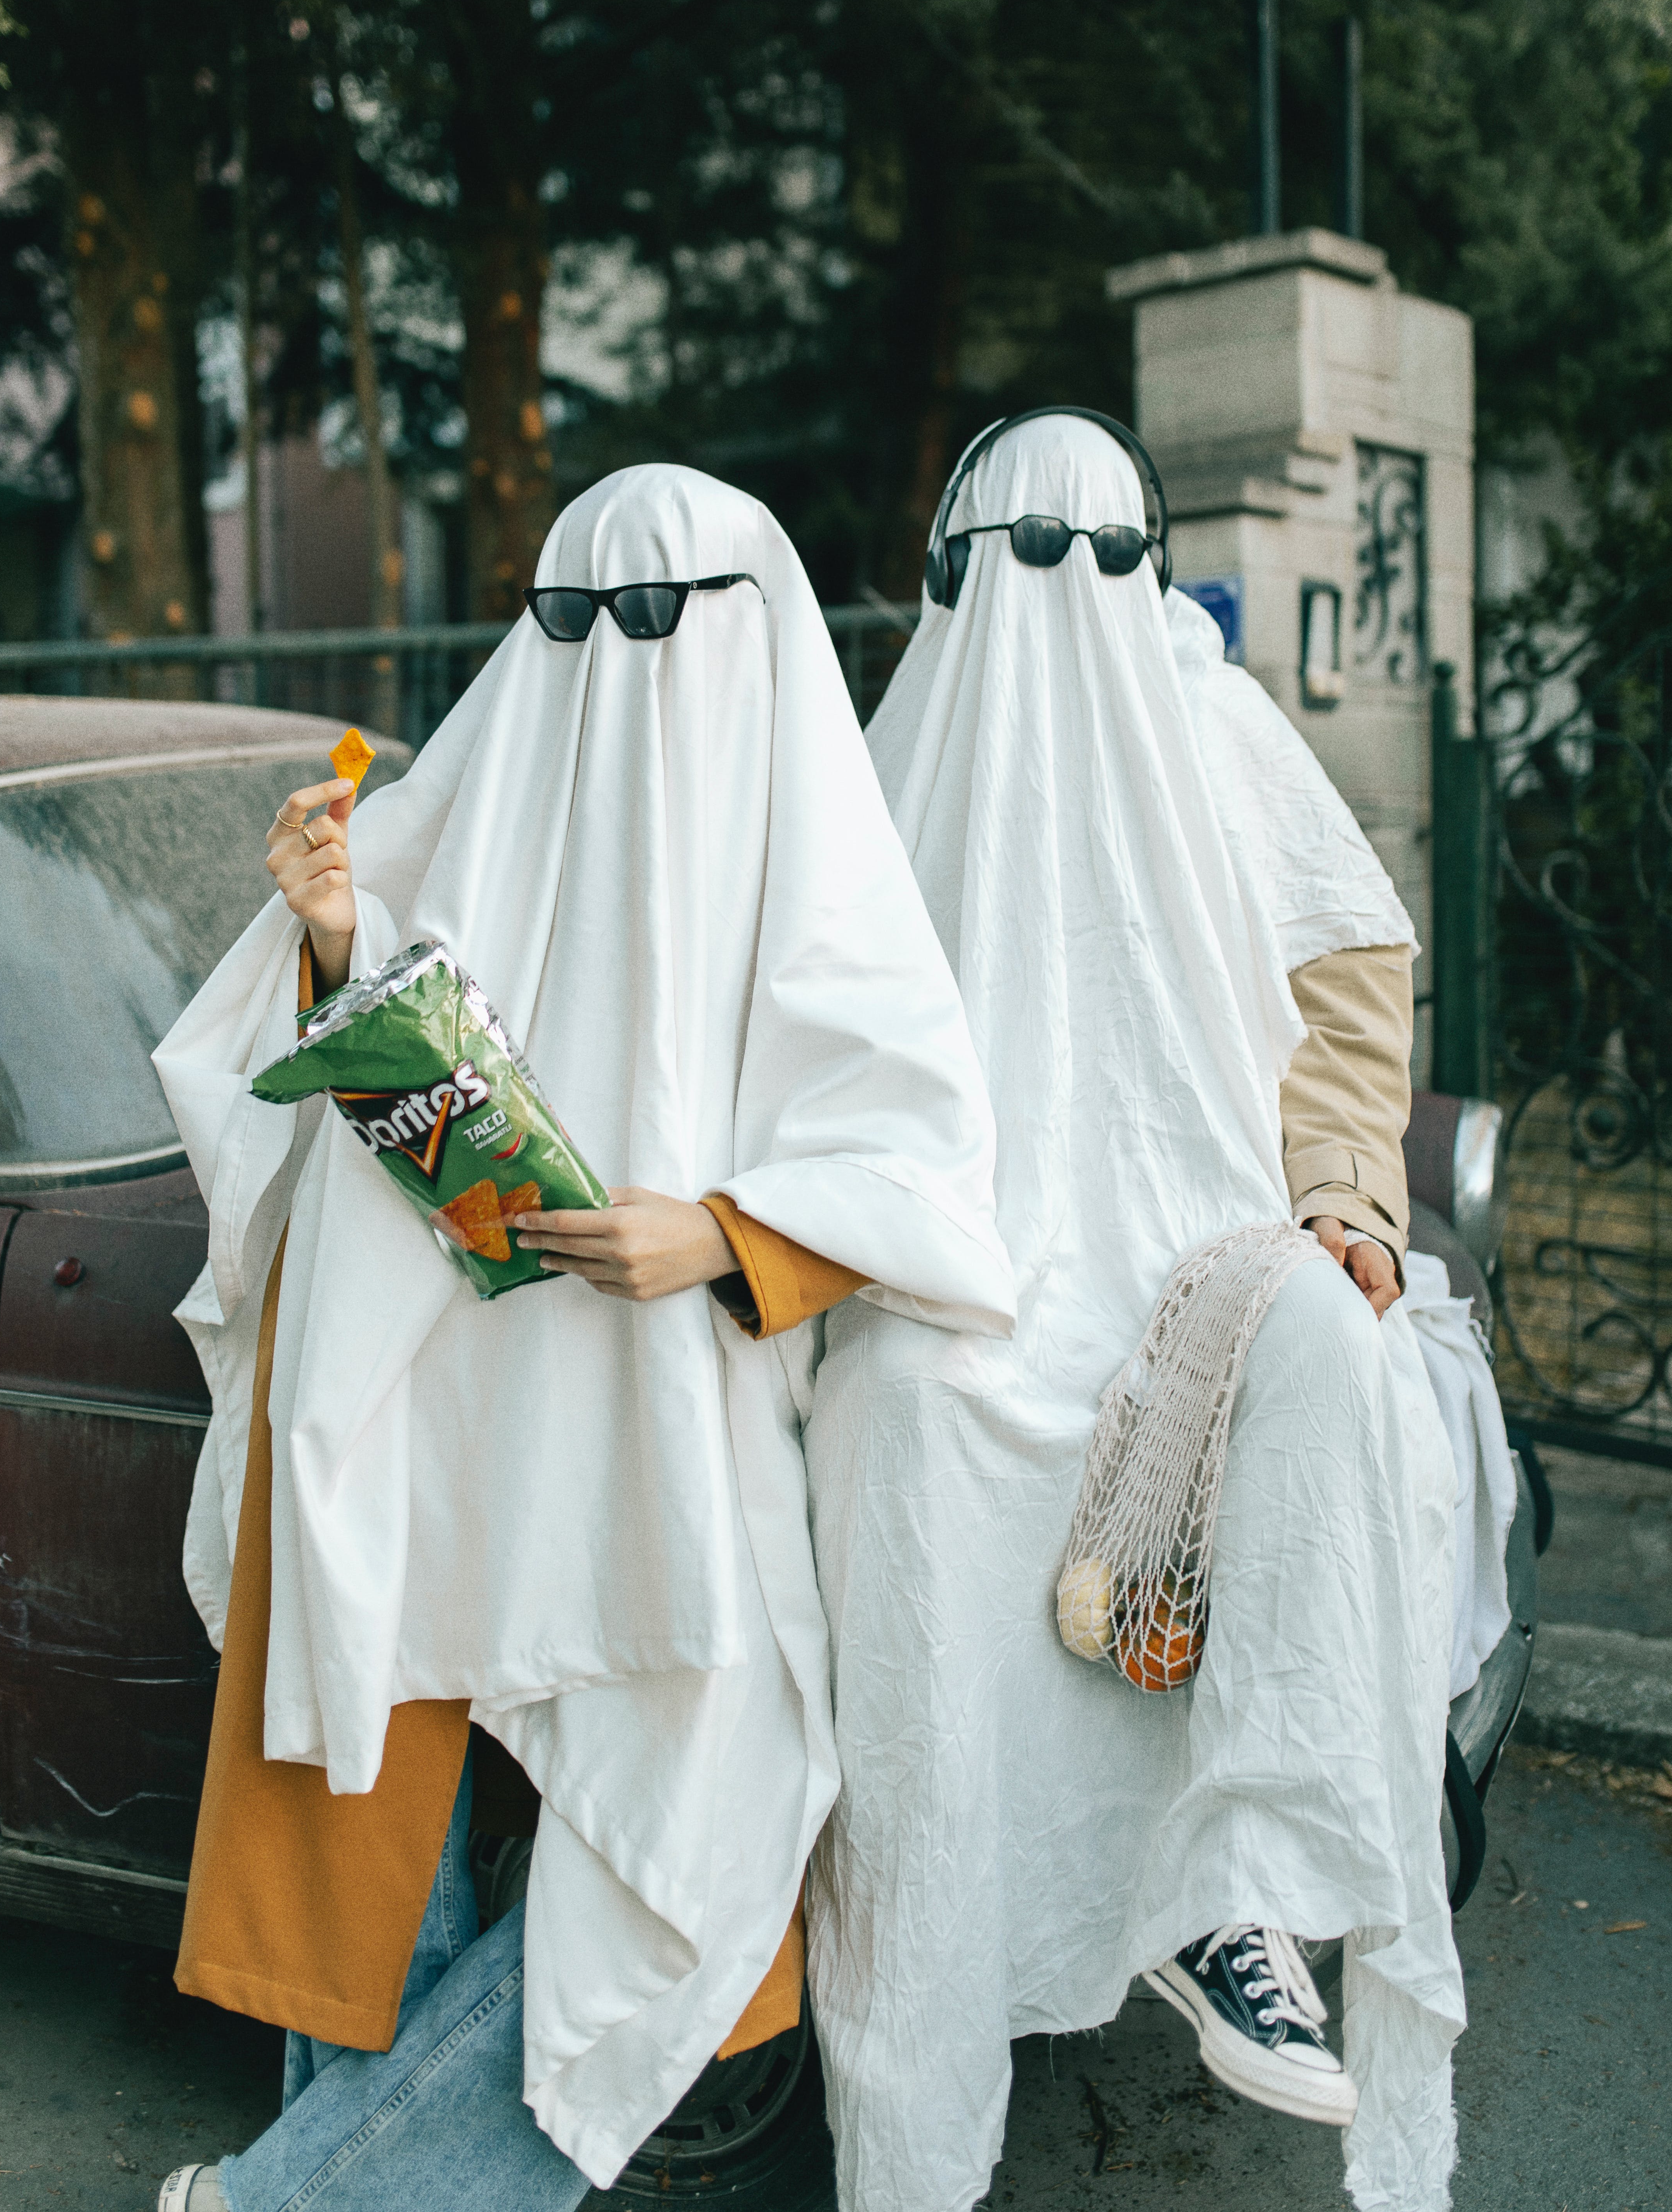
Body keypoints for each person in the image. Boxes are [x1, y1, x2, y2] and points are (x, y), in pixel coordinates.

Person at [150, 464, 1014, 2212]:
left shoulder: (817, 858)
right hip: (416, 1382)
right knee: (381, 1798)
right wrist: (334, 940)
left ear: (746, 632)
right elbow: (314, 1057)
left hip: (667, 1405)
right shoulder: (473, 797)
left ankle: (291, 2200)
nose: (615, 662)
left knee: (705, 1803)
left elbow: (921, 1159)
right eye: (571, 618)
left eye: (660, 618)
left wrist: (717, 1231)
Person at [803, 411, 1463, 2212]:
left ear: (1151, 569)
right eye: (1021, 557)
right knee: (911, 1431)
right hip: (961, 1277)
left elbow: (1346, 972)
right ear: (950, 570)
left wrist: (1344, 1204)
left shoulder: (1221, 735)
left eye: (1096, 557)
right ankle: (932, 1967)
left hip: (1198, 1253)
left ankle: (1236, 1890)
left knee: (1334, 1359)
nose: (1056, 597)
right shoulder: (896, 751)